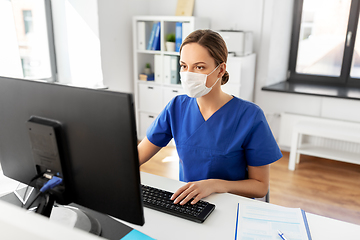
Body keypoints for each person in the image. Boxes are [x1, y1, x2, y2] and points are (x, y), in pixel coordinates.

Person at [138, 29, 282, 205]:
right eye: (184, 66)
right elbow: (138, 155)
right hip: (189, 204)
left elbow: (260, 187)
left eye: (199, 67)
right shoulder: (177, 107)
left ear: (220, 70)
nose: (188, 74)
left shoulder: (250, 116)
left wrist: (215, 185)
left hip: (232, 206)